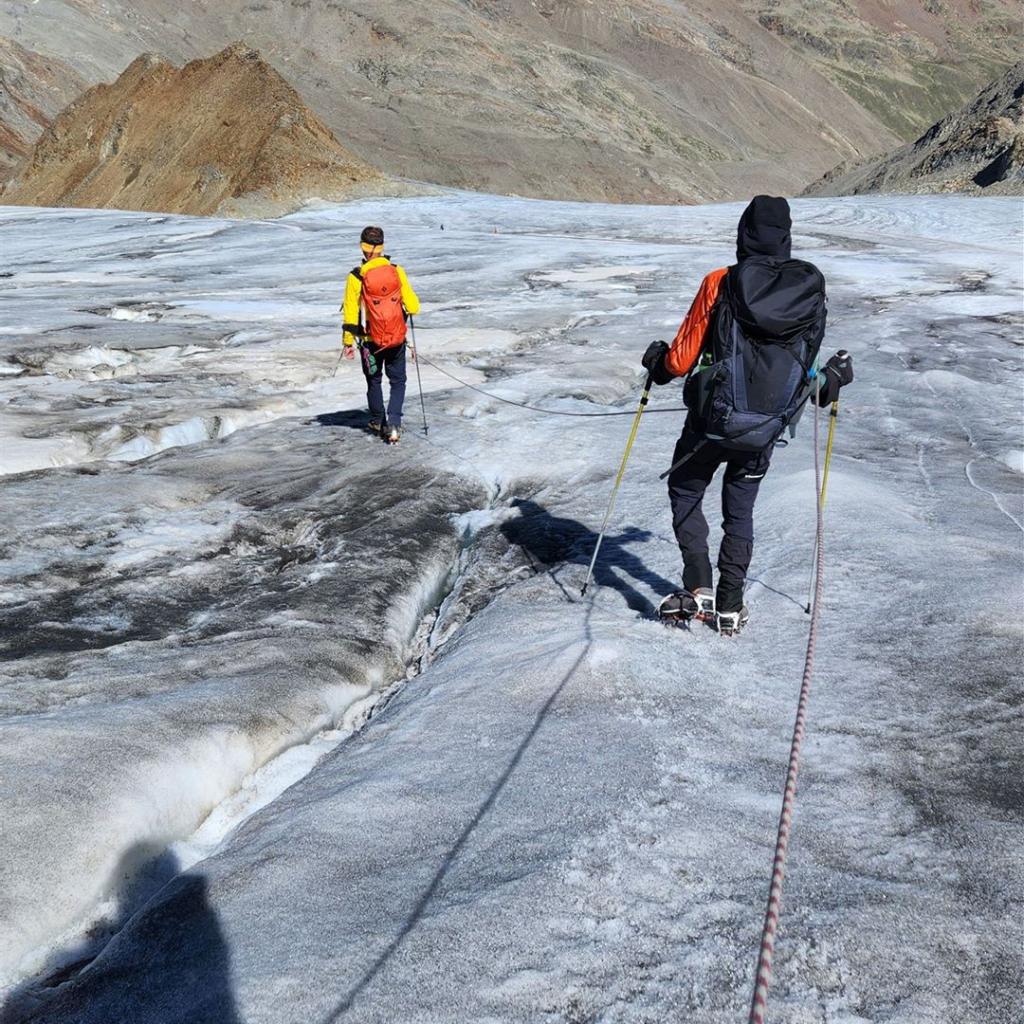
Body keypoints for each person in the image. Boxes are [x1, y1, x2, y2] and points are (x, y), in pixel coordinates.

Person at [641, 195, 853, 635]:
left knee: (685, 489)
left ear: (743, 235)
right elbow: (806, 367)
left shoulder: (720, 281)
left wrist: (657, 364)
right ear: (786, 237)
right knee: (739, 512)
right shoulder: (807, 289)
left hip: (710, 424)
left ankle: (698, 586)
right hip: (765, 428)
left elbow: (679, 361)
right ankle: (731, 605)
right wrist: (832, 379)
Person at [341, 225, 421, 444]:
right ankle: (394, 423)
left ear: (362, 247)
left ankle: (378, 421)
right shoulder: (396, 270)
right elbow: (413, 306)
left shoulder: (356, 277)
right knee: (398, 381)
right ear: (382, 246)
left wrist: (348, 342)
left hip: (369, 342)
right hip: (396, 339)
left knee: (374, 381)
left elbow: (350, 312)